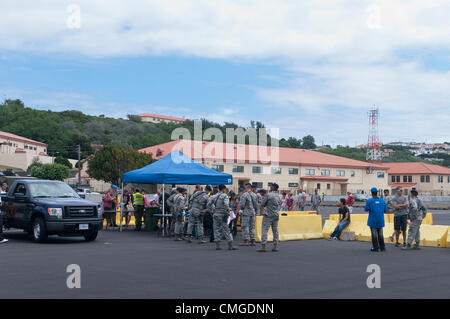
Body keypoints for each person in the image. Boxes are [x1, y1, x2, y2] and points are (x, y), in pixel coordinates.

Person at [208, 184, 238, 250]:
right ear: (224, 189)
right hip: (223, 214)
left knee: (216, 229)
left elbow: (208, 204)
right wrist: (228, 209)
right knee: (226, 229)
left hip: (216, 214)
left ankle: (217, 245)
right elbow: (226, 204)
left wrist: (212, 211)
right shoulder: (225, 196)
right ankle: (230, 245)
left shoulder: (214, 196)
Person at [258, 183, 282, 252]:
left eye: (271, 187)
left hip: (268, 215)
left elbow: (262, 204)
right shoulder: (279, 196)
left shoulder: (269, 195)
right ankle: (275, 246)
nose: (270, 187)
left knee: (264, 230)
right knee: (275, 231)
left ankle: (263, 246)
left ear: (273, 188)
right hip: (276, 215)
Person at [365, 187, 387, 252]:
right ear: (377, 192)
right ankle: (382, 247)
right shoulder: (382, 201)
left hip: (373, 220)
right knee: (380, 234)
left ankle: (376, 247)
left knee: (374, 235)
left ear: (371, 193)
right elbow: (385, 210)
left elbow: (366, 209)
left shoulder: (369, 201)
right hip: (380, 220)